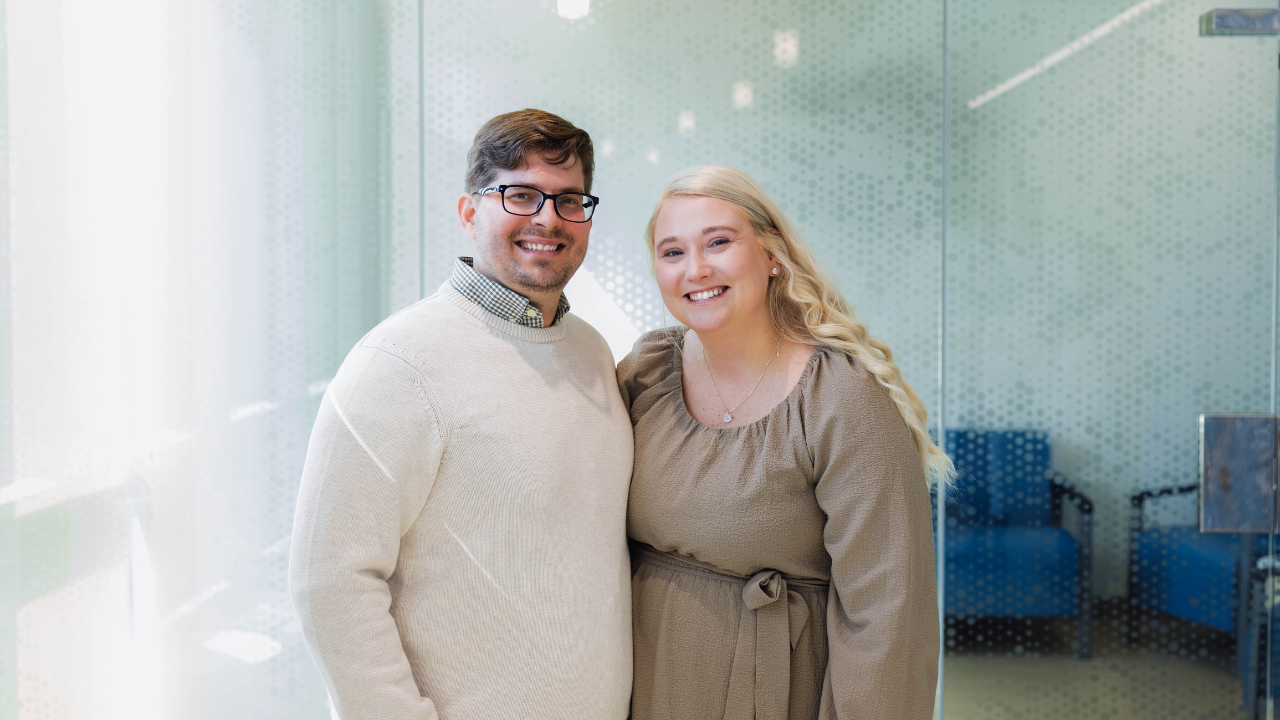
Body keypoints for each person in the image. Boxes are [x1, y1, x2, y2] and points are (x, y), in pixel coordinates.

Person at [289, 109, 634, 720]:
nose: (547, 219)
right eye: (520, 194)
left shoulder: (591, 352)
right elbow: (330, 585)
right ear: (470, 212)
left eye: (569, 200)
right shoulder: (396, 364)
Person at [618, 165, 949, 720]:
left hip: (776, 689)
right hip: (644, 675)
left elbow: (888, 615)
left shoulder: (841, 397)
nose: (695, 269)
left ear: (773, 254)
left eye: (718, 242)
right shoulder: (648, 372)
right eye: (671, 252)